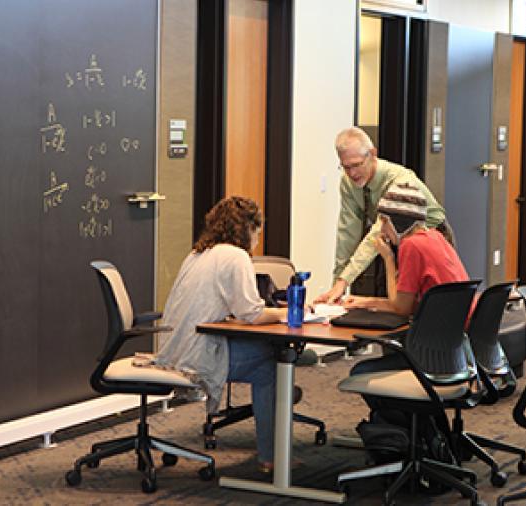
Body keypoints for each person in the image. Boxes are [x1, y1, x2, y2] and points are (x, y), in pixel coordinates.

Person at [155, 196, 286, 472]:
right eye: (257, 232)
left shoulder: (198, 253)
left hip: (174, 350)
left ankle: (271, 455)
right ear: (247, 228)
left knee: (266, 361)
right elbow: (252, 314)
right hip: (197, 356)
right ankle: (272, 457)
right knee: (270, 364)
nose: (258, 239)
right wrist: (292, 313)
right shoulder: (236, 256)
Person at [343, 182, 472, 411]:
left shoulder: (412, 246)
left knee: (361, 373)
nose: (382, 230)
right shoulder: (435, 238)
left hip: (431, 357)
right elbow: (406, 303)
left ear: (398, 222)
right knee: (392, 349)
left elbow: (400, 307)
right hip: (455, 352)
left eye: (384, 221)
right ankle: (415, 431)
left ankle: (400, 433)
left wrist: (388, 259)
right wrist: (367, 301)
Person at [315, 127, 451, 305]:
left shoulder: (400, 180)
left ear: (372, 154)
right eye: (346, 167)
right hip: (392, 239)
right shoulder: (348, 182)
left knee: (416, 306)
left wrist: (344, 281)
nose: (352, 174)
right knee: (387, 299)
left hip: (428, 237)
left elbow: (378, 231)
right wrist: (337, 286)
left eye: (356, 165)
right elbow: (347, 233)